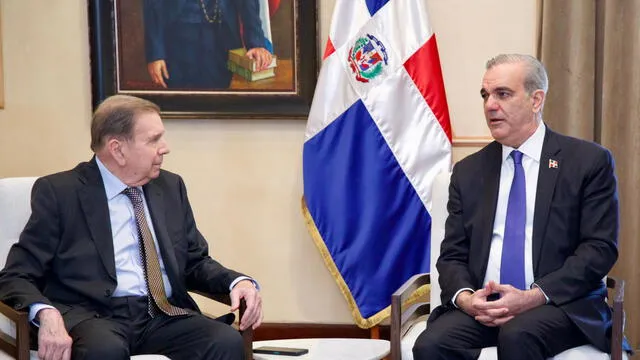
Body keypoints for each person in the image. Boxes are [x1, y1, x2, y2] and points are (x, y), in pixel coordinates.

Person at [0, 95, 262, 360]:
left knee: (225, 341)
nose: (165, 148)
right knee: (104, 350)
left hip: (161, 314)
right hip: (94, 316)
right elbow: (17, 275)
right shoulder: (61, 193)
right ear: (118, 149)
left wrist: (236, 282)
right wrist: (46, 312)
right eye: (153, 140)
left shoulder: (170, 188)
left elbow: (193, 261)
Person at [413, 54, 623, 359]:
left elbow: (599, 248)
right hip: (485, 307)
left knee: (518, 334)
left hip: (558, 304)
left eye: (503, 94)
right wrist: (468, 299)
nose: (489, 105)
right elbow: (452, 255)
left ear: (536, 100)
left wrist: (533, 296)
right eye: (485, 95)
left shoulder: (587, 162)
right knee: (431, 345)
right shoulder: (469, 172)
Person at [143, 0, 273, 89]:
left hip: (222, 40)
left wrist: (256, 42)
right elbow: (153, 4)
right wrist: (155, 53)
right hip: (178, 43)